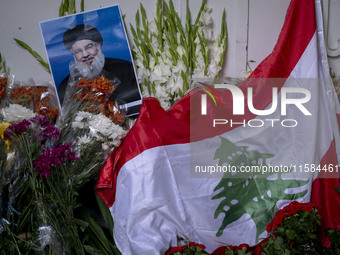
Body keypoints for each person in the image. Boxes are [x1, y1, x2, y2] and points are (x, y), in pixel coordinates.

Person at [58, 24, 141, 115]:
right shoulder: (65, 87)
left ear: (99, 45)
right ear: (72, 54)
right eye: (78, 51)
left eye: (89, 47)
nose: (85, 54)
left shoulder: (126, 69)